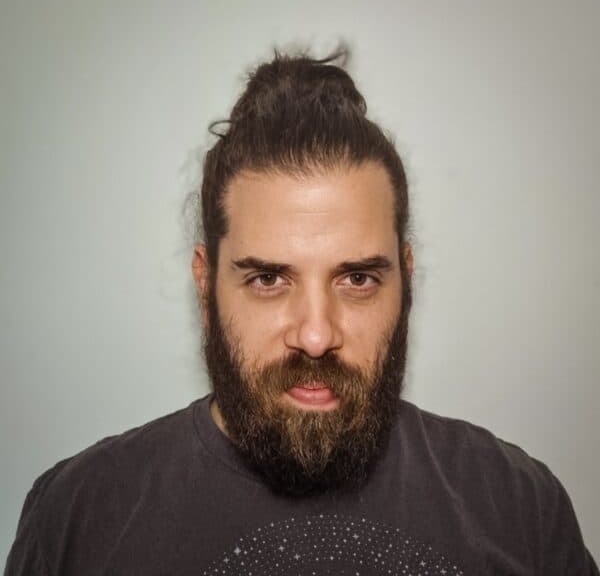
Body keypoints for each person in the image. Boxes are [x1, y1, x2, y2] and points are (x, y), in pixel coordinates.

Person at [5, 49, 598, 576]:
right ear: (206, 286)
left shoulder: (520, 508)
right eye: (268, 279)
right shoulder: (79, 516)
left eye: (357, 278)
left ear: (407, 280)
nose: (316, 335)